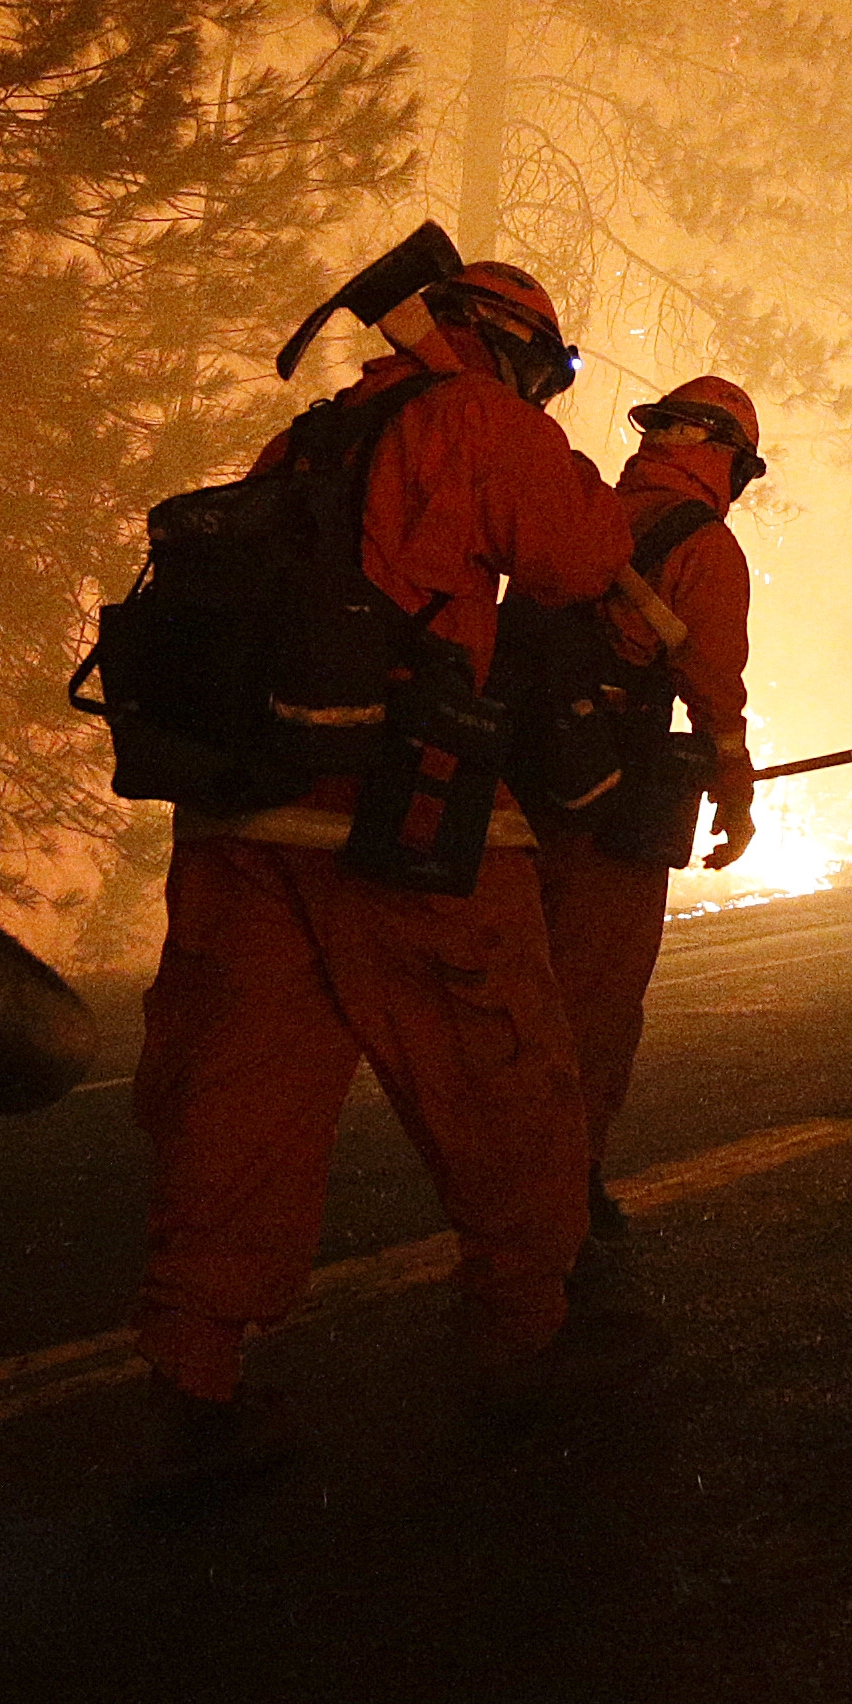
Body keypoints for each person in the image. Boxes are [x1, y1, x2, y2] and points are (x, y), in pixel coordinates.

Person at [131, 255, 645, 1474]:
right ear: (517, 348)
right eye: (551, 373)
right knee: (504, 1069)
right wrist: (545, 443)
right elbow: (577, 555)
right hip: (398, 817)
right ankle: (526, 1345)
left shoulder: (308, 436)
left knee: (237, 1103)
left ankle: (191, 1383)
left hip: (243, 820)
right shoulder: (479, 417)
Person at [510, 374, 760, 1272]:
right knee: (594, 1003)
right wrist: (733, 790)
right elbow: (712, 687)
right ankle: (557, 1198)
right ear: (726, 458)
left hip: (514, 790)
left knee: (511, 997)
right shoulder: (703, 545)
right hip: (610, 807)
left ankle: (500, 1179)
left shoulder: (583, 517)